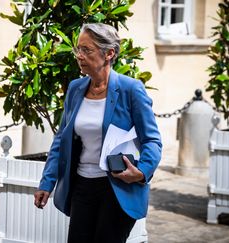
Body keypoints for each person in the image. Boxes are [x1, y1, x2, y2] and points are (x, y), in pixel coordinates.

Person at [33, 23, 162, 243]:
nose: (79, 56)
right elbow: (61, 140)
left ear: (109, 53)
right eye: (78, 49)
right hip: (82, 186)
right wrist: (47, 182)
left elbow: (152, 140)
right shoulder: (75, 89)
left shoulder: (131, 89)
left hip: (117, 188)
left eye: (87, 50)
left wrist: (141, 172)